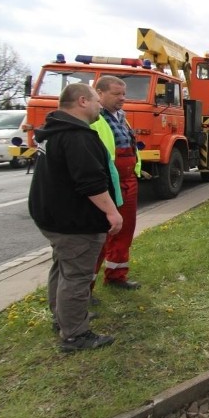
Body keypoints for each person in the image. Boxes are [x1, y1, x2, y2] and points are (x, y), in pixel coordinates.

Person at [28, 83, 122, 352]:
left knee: (62, 268)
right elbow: (90, 182)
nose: (99, 106)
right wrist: (111, 212)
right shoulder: (77, 136)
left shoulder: (54, 130)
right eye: (95, 101)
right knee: (77, 276)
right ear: (82, 101)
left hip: (53, 216)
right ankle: (75, 335)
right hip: (73, 221)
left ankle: (64, 319)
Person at [91, 75, 144, 291]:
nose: (122, 98)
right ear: (100, 93)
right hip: (109, 182)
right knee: (100, 235)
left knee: (125, 230)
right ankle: (85, 288)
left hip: (128, 180)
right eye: (116, 94)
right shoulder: (95, 119)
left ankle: (116, 275)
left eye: (124, 94)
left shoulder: (121, 116)